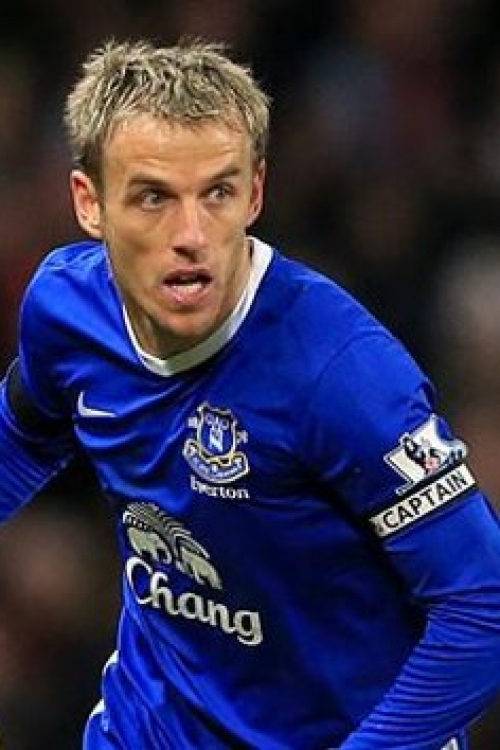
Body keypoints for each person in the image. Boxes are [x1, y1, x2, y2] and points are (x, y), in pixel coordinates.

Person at [1, 39, 500, 750]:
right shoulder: (65, 309)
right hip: (149, 727)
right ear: (90, 202)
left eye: (218, 193)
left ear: (255, 193)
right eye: (153, 197)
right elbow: (25, 430)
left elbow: (481, 605)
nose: (191, 235)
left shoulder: (340, 372)